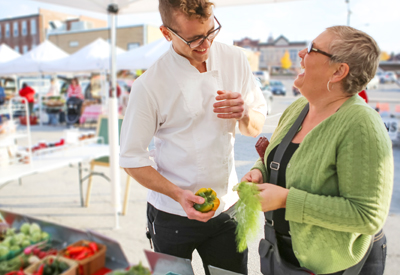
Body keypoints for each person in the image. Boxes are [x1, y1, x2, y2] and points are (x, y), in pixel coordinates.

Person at [119, 1, 267, 274]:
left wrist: (244, 113)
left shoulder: (235, 59)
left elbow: (254, 128)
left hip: (227, 211)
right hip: (171, 214)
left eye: (210, 32)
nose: (205, 44)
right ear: (166, 34)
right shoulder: (149, 85)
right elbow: (131, 159)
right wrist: (178, 194)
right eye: (194, 39)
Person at [242, 26, 393, 275]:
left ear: (338, 71)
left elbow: (367, 216)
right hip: (282, 254)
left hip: (333, 266)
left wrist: (285, 200)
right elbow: (282, 158)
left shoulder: (361, 124)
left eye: (312, 49)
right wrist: (259, 172)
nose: (301, 53)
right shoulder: (300, 107)